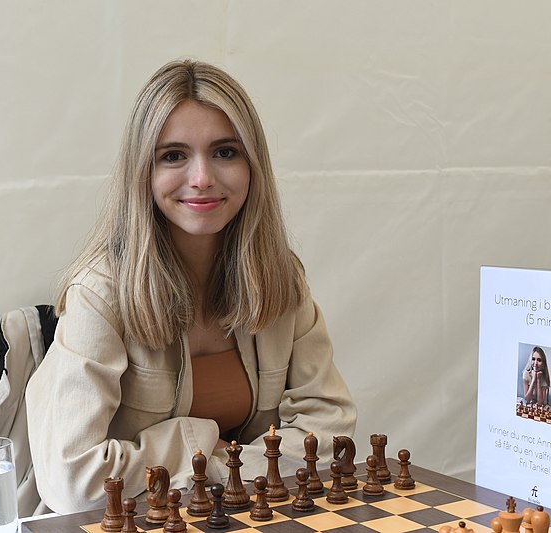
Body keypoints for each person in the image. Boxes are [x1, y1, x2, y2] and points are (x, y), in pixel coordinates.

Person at [25, 59, 357, 514]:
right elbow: (72, 482)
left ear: (252, 166)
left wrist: (217, 469)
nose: (201, 178)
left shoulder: (280, 280)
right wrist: (195, 444)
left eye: (225, 152)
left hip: (238, 518)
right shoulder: (99, 294)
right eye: (173, 155)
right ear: (143, 172)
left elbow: (331, 426)